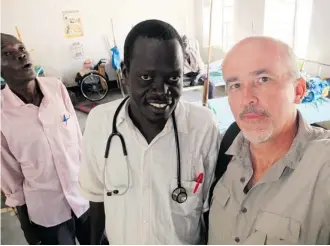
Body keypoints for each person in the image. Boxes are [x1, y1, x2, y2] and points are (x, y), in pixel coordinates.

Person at [79, 20, 220, 244]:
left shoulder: (203, 126)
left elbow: (209, 208)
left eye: (173, 78)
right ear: (125, 73)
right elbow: (96, 199)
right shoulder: (100, 123)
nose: (161, 91)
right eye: (146, 78)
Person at [207, 36, 330, 244]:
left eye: (263, 79)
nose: (247, 98)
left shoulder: (323, 167)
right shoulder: (228, 146)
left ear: (298, 90)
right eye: (235, 85)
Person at [1, 33, 90, 245]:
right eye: (7, 53)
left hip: (84, 197)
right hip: (49, 212)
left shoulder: (56, 88)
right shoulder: (2, 114)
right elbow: (10, 177)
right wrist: (26, 226)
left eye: (21, 49)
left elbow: (78, 143)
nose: (21, 56)